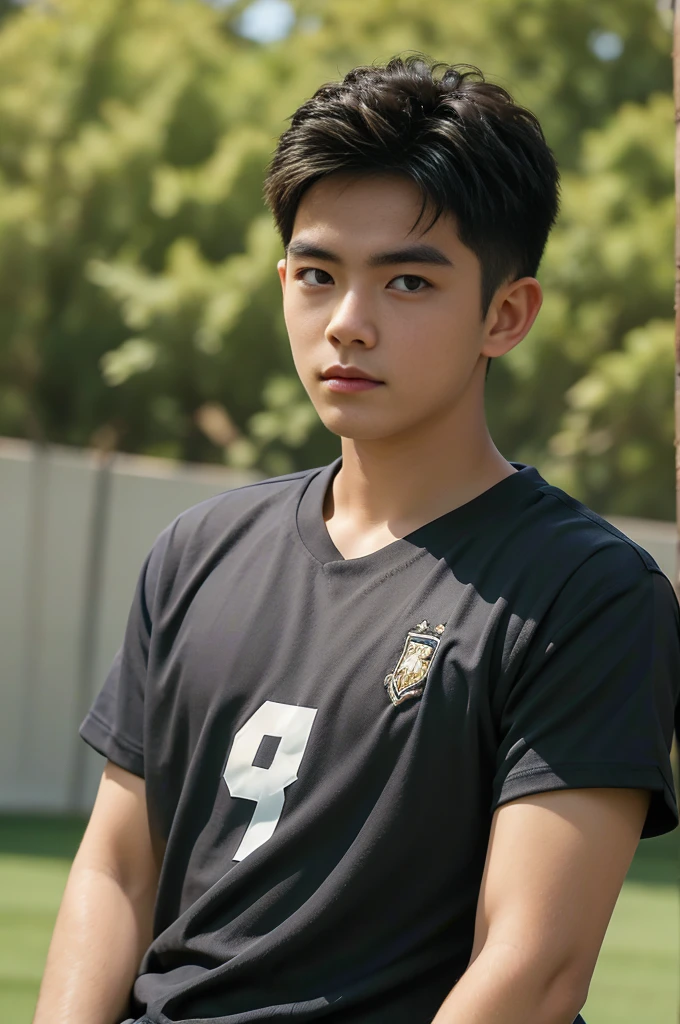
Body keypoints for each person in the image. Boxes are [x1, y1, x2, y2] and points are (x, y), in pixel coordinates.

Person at [34, 56, 679, 1024]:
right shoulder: (196, 548)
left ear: (503, 314)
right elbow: (119, 869)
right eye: (315, 274)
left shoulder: (583, 590)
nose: (346, 324)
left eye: (408, 281)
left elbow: (533, 969)